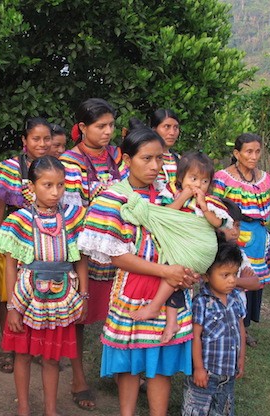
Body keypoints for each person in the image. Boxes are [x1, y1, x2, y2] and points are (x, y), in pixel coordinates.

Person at [78, 123, 199, 416]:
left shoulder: (170, 196)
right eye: (147, 158)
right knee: (131, 361)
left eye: (159, 158)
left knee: (160, 362)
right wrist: (165, 272)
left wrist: (188, 269)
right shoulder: (112, 199)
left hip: (169, 292)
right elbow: (117, 256)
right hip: (133, 290)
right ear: (126, 158)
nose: (155, 165)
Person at [0, 155, 88, 416]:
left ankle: (50, 410)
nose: (55, 192)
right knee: (22, 354)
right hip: (26, 299)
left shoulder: (73, 217)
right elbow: (11, 265)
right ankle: (23, 408)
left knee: (52, 357)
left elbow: (81, 261)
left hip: (61, 298)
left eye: (60, 185)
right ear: (31, 187)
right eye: (47, 185)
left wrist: (84, 295)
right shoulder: (19, 220)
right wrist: (12, 306)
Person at [60, 98, 126, 410]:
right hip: (84, 250)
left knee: (122, 311)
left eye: (111, 125)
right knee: (80, 317)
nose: (108, 131)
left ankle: (120, 372)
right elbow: (71, 213)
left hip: (119, 247)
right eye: (101, 126)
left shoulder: (118, 156)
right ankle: (77, 377)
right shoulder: (69, 162)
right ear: (83, 127)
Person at [130, 151, 233, 343]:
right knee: (177, 277)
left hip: (199, 247)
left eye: (204, 181)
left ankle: (155, 306)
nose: (198, 185)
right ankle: (172, 322)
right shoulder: (171, 192)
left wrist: (203, 206)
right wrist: (183, 197)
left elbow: (218, 223)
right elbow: (165, 214)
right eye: (193, 178)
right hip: (180, 245)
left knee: (175, 270)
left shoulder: (209, 201)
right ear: (180, 177)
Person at [0, 117, 52, 374]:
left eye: (47, 138)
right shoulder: (9, 169)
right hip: (13, 241)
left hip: (45, 242)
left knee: (41, 294)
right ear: (24, 141)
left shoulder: (56, 167)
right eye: (36, 138)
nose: (42, 144)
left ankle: (35, 345)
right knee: (8, 295)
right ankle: (8, 347)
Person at [212, 133, 270, 346]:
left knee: (253, 279)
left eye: (257, 151)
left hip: (257, 235)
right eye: (248, 151)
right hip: (234, 233)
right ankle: (227, 322)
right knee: (233, 276)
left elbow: (265, 210)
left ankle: (245, 326)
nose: (253, 156)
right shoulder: (223, 178)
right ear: (236, 153)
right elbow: (216, 206)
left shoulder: (263, 178)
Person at [182, 240, 247, 416]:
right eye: (225, 275)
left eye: (235, 274)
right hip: (207, 373)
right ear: (206, 276)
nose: (232, 280)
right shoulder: (202, 302)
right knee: (197, 409)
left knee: (223, 408)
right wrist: (199, 368)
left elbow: (240, 329)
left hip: (228, 373)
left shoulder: (235, 298)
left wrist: (241, 358)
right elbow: (195, 337)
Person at [218, 198, 262, 309]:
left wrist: (234, 281)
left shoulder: (239, 254)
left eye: (237, 225)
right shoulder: (211, 255)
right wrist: (241, 282)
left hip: (237, 311)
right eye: (229, 225)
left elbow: (256, 283)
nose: (235, 232)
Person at [150, 108, 181, 185]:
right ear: (154, 129)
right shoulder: (145, 158)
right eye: (167, 126)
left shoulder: (180, 160)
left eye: (176, 127)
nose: (172, 132)